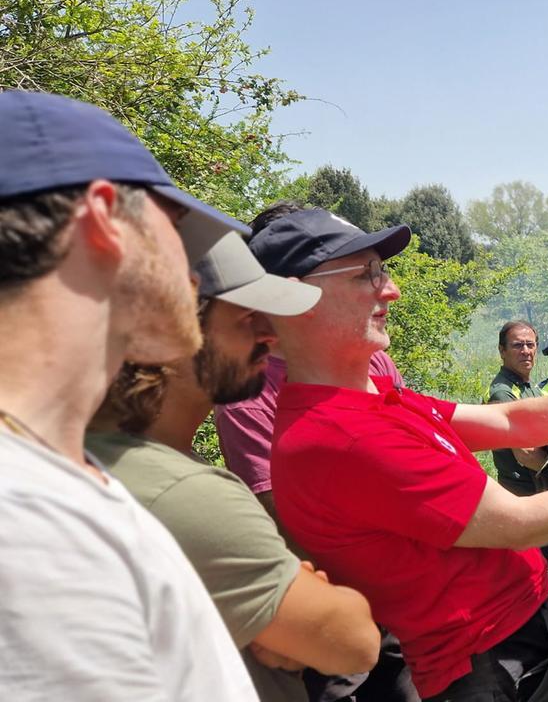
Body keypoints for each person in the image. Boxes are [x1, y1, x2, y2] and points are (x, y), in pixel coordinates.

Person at [255, 220, 548, 701]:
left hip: (536, 630)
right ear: (296, 300)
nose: (391, 290)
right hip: (498, 668)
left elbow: (513, 421)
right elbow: (519, 521)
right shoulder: (337, 436)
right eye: (366, 273)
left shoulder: (379, 398)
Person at [0, 90, 256, 698]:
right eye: (178, 227)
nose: (195, 274)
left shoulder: (53, 482)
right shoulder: (30, 527)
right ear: (103, 220)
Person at [86, 233, 382, 702]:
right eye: (247, 319)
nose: (270, 333)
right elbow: (352, 640)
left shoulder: (89, 453)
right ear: (168, 330)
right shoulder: (185, 490)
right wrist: (306, 594)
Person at [217, 201, 418, 702]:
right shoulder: (250, 389)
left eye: (380, 270)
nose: (386, 289)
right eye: (362, 272)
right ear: (289, 290)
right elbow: (281, 513)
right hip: (334, 613)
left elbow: (422, 456)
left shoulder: (376, 363)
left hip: (407, 606)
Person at [488, 320, 548, 495]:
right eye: (517, 345)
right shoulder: (503, 393)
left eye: (530, 344)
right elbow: (527, 455)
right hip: (524, 492)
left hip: (538, 487)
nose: (525, 351)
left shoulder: (529, 388)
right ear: (502, 351)